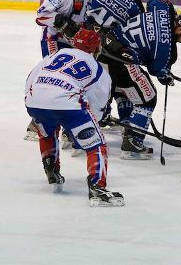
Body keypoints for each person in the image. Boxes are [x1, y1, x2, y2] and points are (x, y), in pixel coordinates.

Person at [26, 0, 150, 143]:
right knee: (56, 79)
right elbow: (41, 14)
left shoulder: (104, 2)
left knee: (84, 80)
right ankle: (38, 123)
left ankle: (75, 123)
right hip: (56, 41)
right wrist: (64, 24)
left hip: (79, 45)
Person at [25, 28, 124, 207]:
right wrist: (97, 120)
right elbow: (98, 105)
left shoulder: (55, 54)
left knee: (47, 133)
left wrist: (33, 104)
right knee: (97, 143)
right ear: (96, 48)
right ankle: (97, 188)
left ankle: (52, 172)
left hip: (35, 101)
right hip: (67, 105)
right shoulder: (97, 68)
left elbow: (31, 77)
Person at [99, 0, 181, 159]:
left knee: (124, 88)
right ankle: (132, 142)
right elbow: (156, 70)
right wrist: (165, 76)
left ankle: (128, 121)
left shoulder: (161, 10)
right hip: (122, 59)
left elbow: (153, 1)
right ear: (180, 26)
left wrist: (169, 10)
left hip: (104, 48)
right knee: (148, 97)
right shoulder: (167, 48)